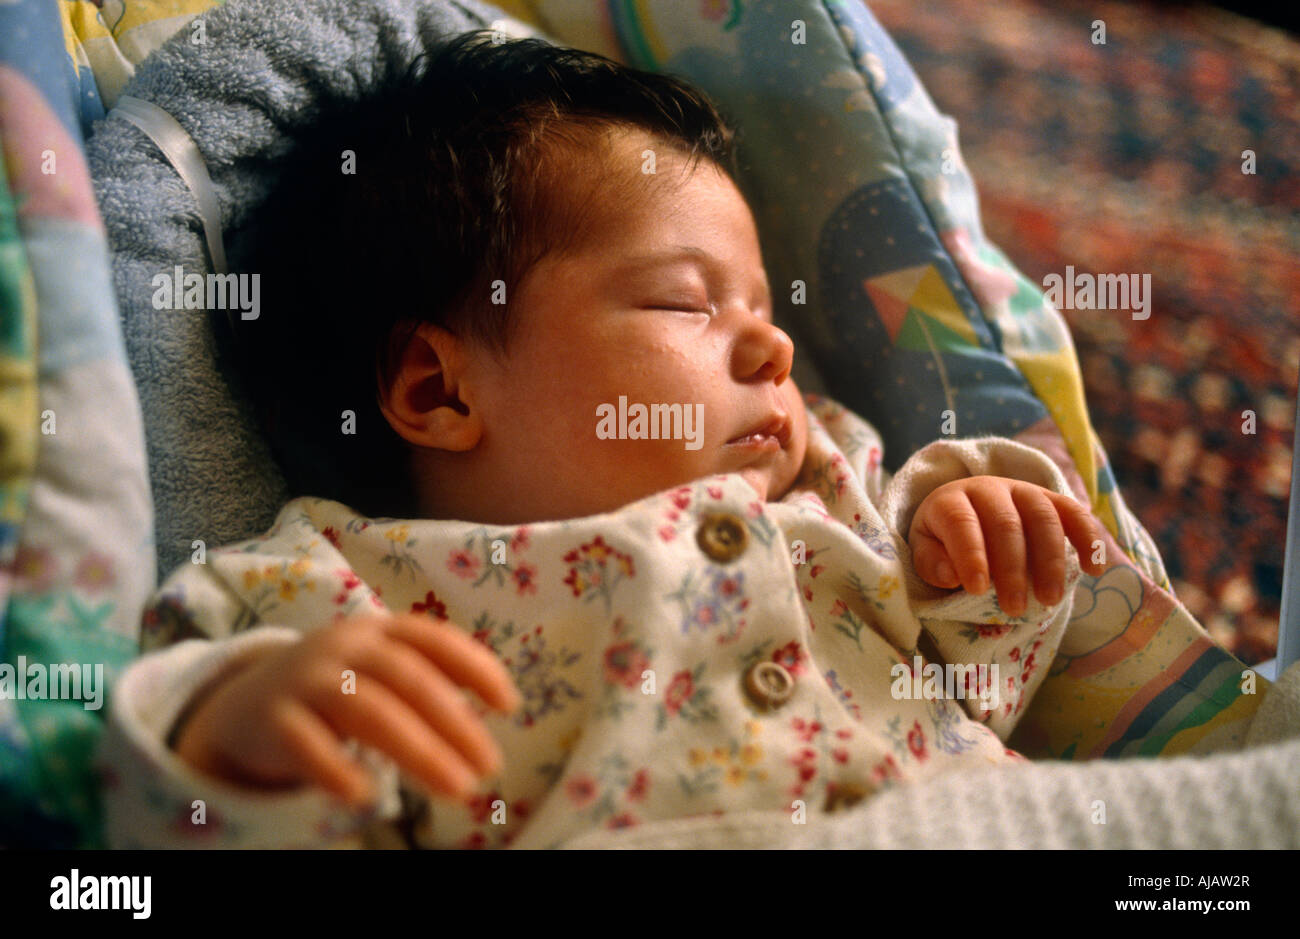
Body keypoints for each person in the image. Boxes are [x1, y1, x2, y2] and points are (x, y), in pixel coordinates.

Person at [96, 31, 1103, 848]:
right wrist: (231, 733)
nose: (776, 346)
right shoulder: (334, 586)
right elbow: (149, 789)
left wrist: (977, 554)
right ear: (438, 388)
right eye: (685, 301)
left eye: (761, 307)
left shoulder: (837, 487)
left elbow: (990, 689)